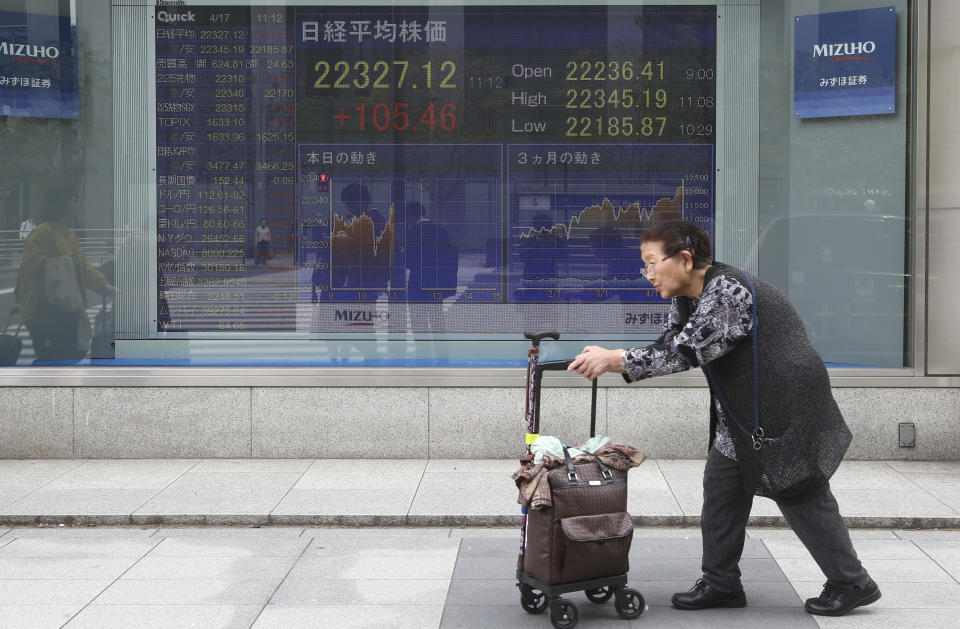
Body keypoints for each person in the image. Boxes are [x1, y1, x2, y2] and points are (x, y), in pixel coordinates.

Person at [567, 220, 880, 617]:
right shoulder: (685, 296)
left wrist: (618, 360)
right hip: (745, 414)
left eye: (650, 263)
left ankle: (852, 582)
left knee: (799, 490)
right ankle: (721, 582)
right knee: (721, 490)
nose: (647, 275)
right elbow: (672, 343)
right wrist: (616, 357)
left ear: (683, 259)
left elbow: (688, 352)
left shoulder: (726, 291)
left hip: (785, 407)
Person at [16, 187, 115, 363]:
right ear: (61, 205)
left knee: (72, 354)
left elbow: (83, 268)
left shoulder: (69, 236)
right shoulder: (41, 234)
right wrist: (67, 262)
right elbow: (33, 267)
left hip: (68, 309)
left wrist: (107, 287)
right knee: (54, 359)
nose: (78, 205)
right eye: (74, 201)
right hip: (44, 310)